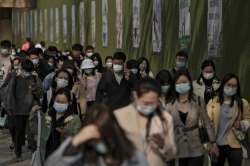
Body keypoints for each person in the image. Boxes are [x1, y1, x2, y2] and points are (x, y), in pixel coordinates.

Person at [45, 104, 148, 166]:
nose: (101, 142)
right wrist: (75, 143)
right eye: (95, 139)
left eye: (105, 136)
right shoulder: (79, 152)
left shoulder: (131, 154)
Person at [115, 78, 176, 166]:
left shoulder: (165, 118)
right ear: (135, 96)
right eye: (146, 103)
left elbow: (171, 155)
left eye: (153, 103)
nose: (149, 107)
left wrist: (164, 144)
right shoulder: (119, 116)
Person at [166, 70, 217, 166]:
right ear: (175, 85)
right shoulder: (169, 105)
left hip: (196, 148)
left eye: (184, 82)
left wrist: (213, 142)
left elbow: (207, 123)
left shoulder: (198, 101)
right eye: (179, 83)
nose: (182, 85)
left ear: (190, 83)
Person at [3, 59, 43, 161]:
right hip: (17, 109)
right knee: (18, 131)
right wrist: (8, 106)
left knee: (32, 132)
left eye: (28, 72)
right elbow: (8, 91)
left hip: (31, 110)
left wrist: (34, 87)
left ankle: (35, 152)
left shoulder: (34, 78)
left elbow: (40, 94)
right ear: (21, 68)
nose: (26, 74)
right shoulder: (14, 76)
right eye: (25, 71)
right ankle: (18, 153)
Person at [207, 73, 250, 166]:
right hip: (216, 144)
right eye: (229, 85)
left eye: (234, 86)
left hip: (235, 144)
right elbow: (207, 123)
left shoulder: (242, 103)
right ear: (223, 85)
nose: (231, 88)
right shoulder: (213, 102)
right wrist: (211, 143)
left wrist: (242, 124)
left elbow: (248, 119)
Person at [45, 88, 81, 157]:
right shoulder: (48, 114)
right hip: (48, 155)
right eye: (58, 101)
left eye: (63, 102)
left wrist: (65, 132)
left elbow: (76, 138)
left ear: (69, 103)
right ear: (53, 100)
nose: (60, 104)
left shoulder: (74, 119)